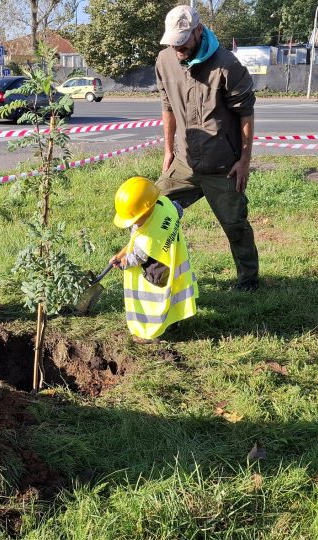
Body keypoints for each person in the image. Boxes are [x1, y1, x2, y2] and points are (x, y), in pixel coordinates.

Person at [154, 5, 260, 291]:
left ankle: (249, 280)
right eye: (172, 41)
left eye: (183, 40)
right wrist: (168, 151)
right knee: (151, 209)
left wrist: (245, 160)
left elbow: (246, 114)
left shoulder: (228, 65)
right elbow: (167, 108)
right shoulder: (164, 61)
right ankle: (157, 276)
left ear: (198, 31)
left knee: (235, 225)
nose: (177, 47)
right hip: (184, 164)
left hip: (223, 166)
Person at [109, 176, 198, 343]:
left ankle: (146, 334)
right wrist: (120, 253)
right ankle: (172, 321)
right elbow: (178, 211)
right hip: (173, 261)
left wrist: (122, 264)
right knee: (172, 295)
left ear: (147, 209)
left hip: (156, 271)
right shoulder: (166, 205)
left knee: (152, 303)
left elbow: (137, 257)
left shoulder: (147, 238)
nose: (133, 223)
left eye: (135, 219)